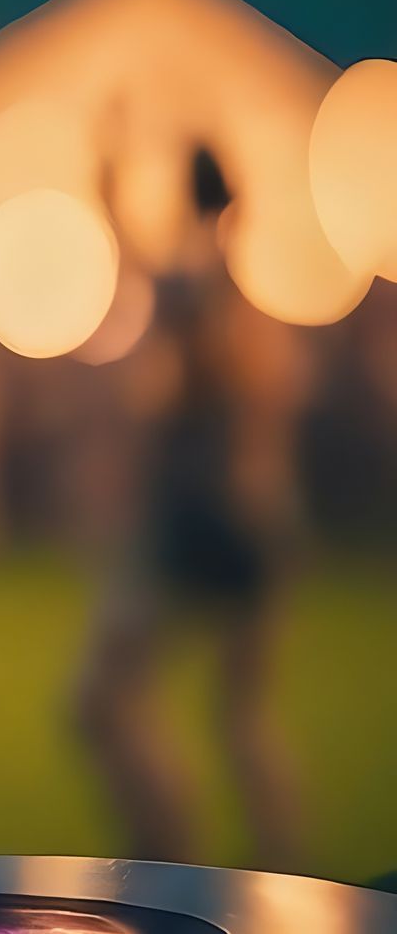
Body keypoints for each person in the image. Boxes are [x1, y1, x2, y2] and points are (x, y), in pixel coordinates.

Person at [73, 145, 306, 868]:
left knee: (100, 700)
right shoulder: (248, 293)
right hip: (255, 525)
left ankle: (164, 841)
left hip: (200, 524)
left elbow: (149, 270)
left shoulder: (202, 285)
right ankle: (283, 861)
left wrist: (108, 184)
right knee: (240, 718)